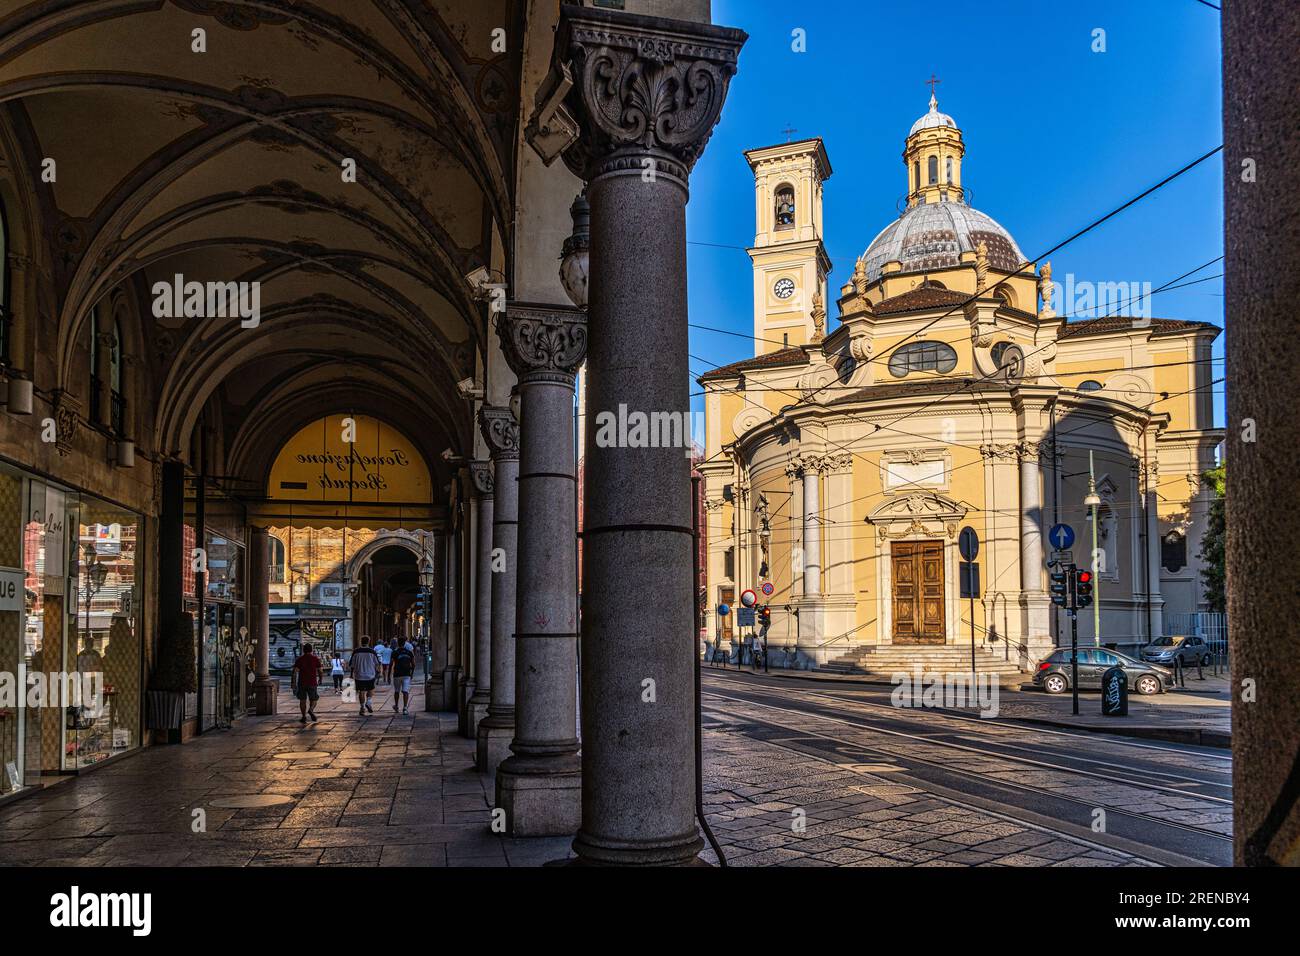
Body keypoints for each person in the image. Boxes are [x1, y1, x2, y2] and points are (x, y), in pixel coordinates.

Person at [291, 641, 323, 723]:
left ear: (303, 650)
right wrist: (320, 679)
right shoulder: (315, 659)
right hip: (312, 682)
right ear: (311, 650)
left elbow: (294, 672)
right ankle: (311, 710)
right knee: (314, 699)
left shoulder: (300, 659)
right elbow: (320, 671)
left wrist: (293, 683)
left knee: (302, 700)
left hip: (302, 683)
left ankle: (304, 716)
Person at [349, 636, 380, 716]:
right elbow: (377, 664)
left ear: (361, 641)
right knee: (371, 689)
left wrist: (351, 674)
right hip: (370, 674)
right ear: (368, 642)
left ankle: (362, 708)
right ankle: (368, 702)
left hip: (359, 675)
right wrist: (378, 672)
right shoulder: (372, 651)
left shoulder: (356, 651)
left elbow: (352, 664)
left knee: (361, 691)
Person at [391, 639, 415, 715]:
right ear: (404, 643)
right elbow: (413, 664)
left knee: (397, 691)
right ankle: (405, 708)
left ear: (398, 643)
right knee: (405, 691)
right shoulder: (409, 652)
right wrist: (412, 673)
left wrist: (388, 675)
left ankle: (397, 706)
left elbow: (391, 663)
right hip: (406, 674)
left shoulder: (395, 652)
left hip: (397, 674)